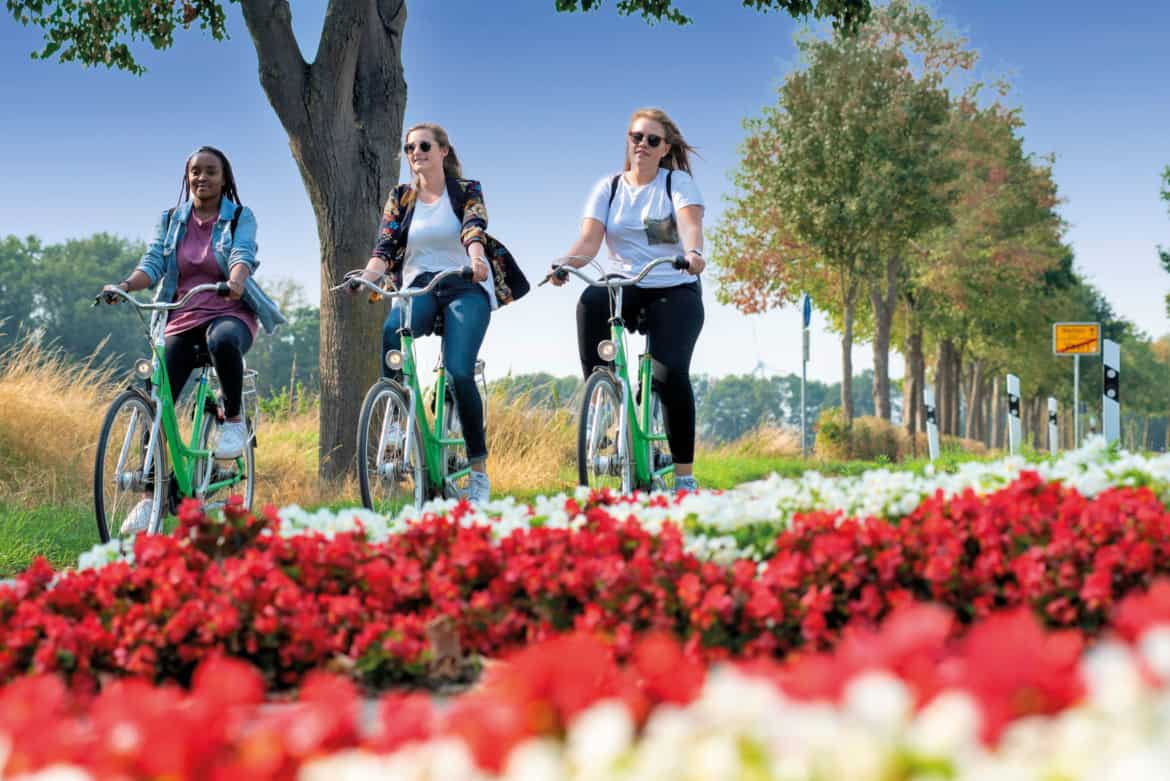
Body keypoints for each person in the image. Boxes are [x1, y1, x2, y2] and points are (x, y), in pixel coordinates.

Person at [101, 146, 285, 533]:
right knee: (156, 395)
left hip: (228, 312)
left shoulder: (239, 217)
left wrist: (235, 281)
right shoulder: (171, 220)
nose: (202, 178)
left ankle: (232, 418)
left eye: (210, 172)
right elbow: (152, 263)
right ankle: (151, 498)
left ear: (224, 178)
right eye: (195, 172)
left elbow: (242, 253)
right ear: (187, 178)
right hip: (181, 317)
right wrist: (125, 285)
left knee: (222, 342)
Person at [357, 122, 526, 505]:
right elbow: (384, 246)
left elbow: (474, 226)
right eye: (410, 148)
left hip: (465, 283)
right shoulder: (400, 197)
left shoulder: (466, 190)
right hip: (419, 285)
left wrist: (477, 258)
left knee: (459, 372)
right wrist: (365, 279)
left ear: (443, 151)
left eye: (424, 146)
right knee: (392, 332)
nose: (416, 152)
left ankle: (478, 472)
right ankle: (397, 422)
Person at [552, 108, 706, 493]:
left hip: (674, 285)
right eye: (636, 137)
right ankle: (603, 396)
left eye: (652, 140)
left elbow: (690, 225)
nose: (642, 145)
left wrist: (694, 253)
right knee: (589, 301)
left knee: (669, 374)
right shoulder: (609, 188)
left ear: (664, 147)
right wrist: (566, 263)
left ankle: (684, 476)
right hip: (624, 285)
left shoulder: (677, 184)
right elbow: (589, 242)